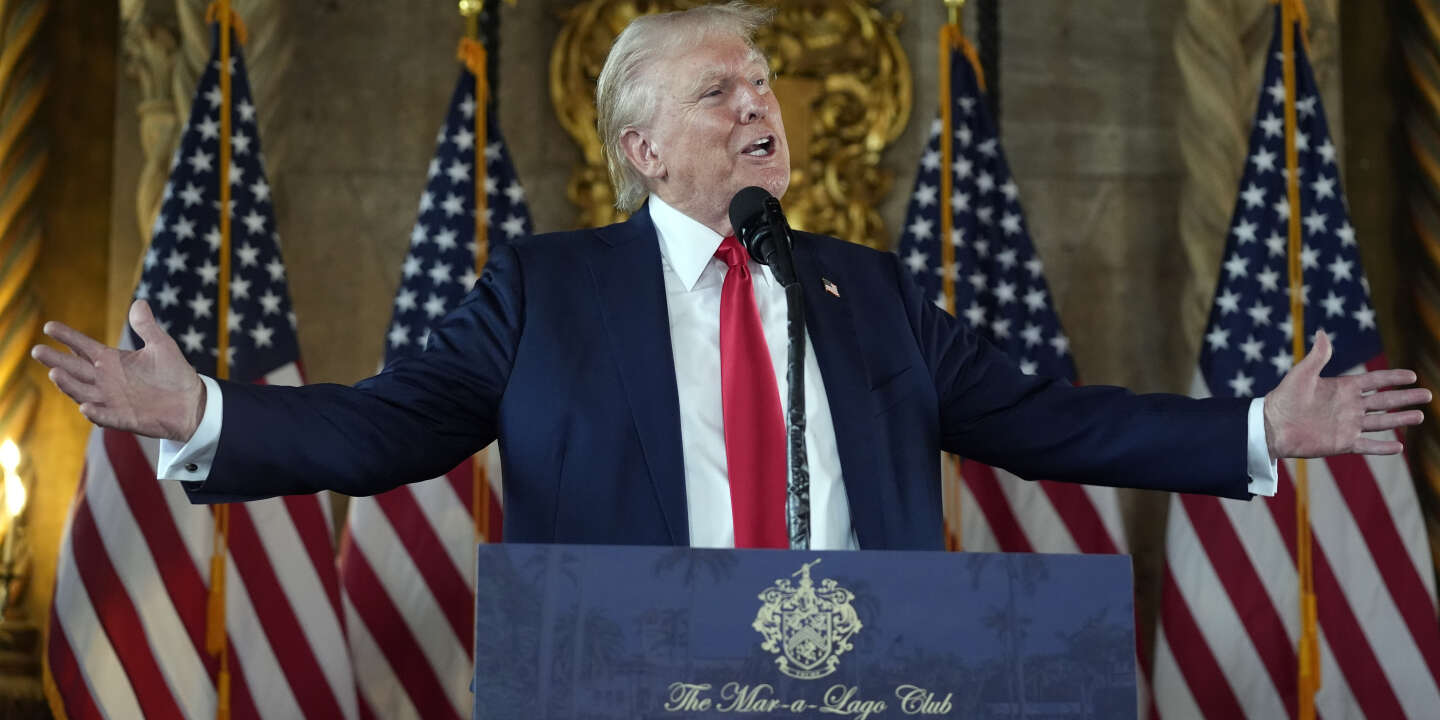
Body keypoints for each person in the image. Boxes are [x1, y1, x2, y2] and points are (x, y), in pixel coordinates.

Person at [32, 2, 1428, 551]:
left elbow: (1055, 421)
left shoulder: (872, 296)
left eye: (765, 84)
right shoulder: (546, 292)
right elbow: (386, 426)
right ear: (641, 147)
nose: (762, 104)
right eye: (722, 91)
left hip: (865, 683)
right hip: (630, 681)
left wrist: (1260, 428)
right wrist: (205, 412)